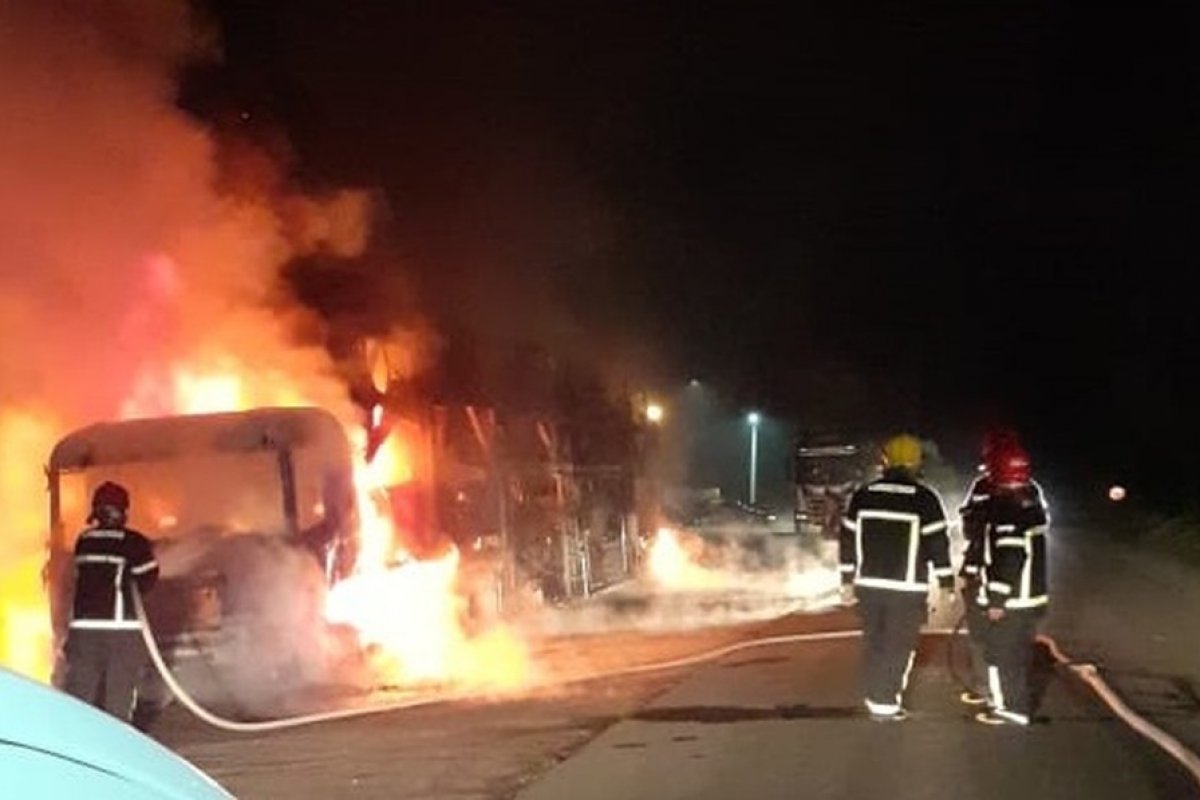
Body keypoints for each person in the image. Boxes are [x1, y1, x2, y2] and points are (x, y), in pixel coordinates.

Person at [839, 434, 955, 721]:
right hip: (907, 588)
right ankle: (885, 703)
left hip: (869, 586)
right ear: (916, 464)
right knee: (898, 645)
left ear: (885, 461)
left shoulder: (864, 495)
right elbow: (938, 544)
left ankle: (873, 694)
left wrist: (846, 580)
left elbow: (847, 540)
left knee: (874, 642)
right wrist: (946, 583)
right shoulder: (925, 499)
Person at [64, 481, 159, 724]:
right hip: (121, 632)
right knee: (119, 699)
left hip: (83, 632)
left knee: (80, 697)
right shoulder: (134, 542)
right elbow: (147, 581)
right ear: (124, 512)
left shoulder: (83, 540)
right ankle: (116, 748)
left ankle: (78, 748)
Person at [974, 441, 1049, 726]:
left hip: (1013, 599)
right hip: (1030, 598)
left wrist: (996, 599)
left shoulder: (1007, 509)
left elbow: (1010, 556)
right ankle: (1014, 703)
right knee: (1017, 655)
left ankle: (1009, 708)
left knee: (1001, 656)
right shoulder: (1031, 502)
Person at [956, 427, 1020, 707]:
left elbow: (973, 528)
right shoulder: (1023, 490)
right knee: (984, 633)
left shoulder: (995, 489)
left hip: (995, 574)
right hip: (991, 572)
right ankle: (989, 688)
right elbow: (970, 527)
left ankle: (996, 692)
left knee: (989, 635)